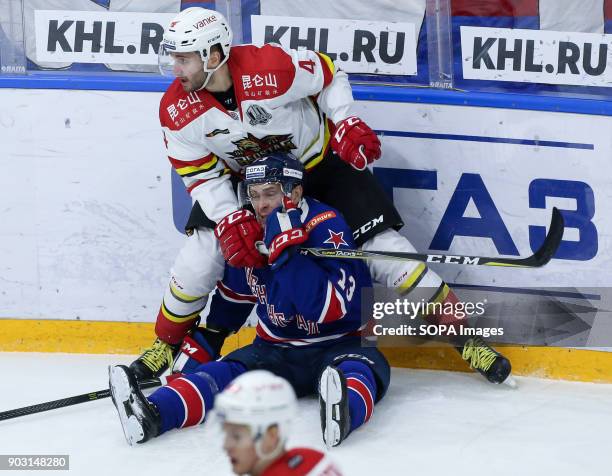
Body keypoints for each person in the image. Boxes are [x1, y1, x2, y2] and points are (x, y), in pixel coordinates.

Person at [130, 6, 511, 387]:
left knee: (385, 249)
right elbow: (200, 173)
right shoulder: (175, 111)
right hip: (253, 186)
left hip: (320, 169)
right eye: (173, 57)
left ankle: (466, 337)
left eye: (183, 58)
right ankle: (167, 342)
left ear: (214, 56)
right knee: (202, 255)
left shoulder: (271, 66)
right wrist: (230, 216)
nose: (174, 68)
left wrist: (345, 120)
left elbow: (329, 74)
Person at [110, 154, 391, 448]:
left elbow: (324, 309)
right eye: (254, 195)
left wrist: (288, 257)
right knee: (220, 374)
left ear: (294, 192)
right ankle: (152, 414)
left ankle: (344, 412)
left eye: (271, 193)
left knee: (360, 369)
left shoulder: (326, 225)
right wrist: (204, 347)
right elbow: (233, 302)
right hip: (274, 351)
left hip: (339, 344)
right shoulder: (248, 232)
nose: (261, 204)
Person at [216, 370, 342, 475]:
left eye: (236, 436)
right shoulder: (315, 459)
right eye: (226, 434)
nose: (226, 446)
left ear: (271, 435)